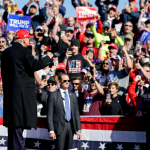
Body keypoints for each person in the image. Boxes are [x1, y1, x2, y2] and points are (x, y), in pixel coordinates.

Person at [1, 29, 53, 150]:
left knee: (14, 127)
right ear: (24, 40)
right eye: (28, 39)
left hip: (10, 95)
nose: (29, 41)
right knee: (18, 126)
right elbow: (35, 65)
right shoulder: (25, 51)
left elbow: (4, 73)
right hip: (22, 96)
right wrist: (47, 57)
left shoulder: (6, 52)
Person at [47, 73, 82, 150]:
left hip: (71, 126)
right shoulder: (53, 95)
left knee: (69, 148)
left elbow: (76, 113)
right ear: (59, 82)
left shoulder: (73, 96)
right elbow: (50, 114)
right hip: (59, 127)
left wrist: (78, 129)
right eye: (65, 80)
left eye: (68, 80)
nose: (67, 82)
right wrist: (51, 130)